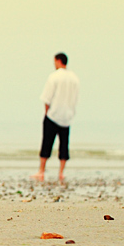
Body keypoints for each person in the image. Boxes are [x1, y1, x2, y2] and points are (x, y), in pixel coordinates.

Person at [32, 52, 79, 182]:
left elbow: (47, 97)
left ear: (58, 61)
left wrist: (46, 112)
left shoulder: (54, 77)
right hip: (67, 116)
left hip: (53, 114)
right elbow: (75, 98)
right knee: (64, 144)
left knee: (47, 142)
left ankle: (41, 170)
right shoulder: (74, 78)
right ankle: (61, 172)